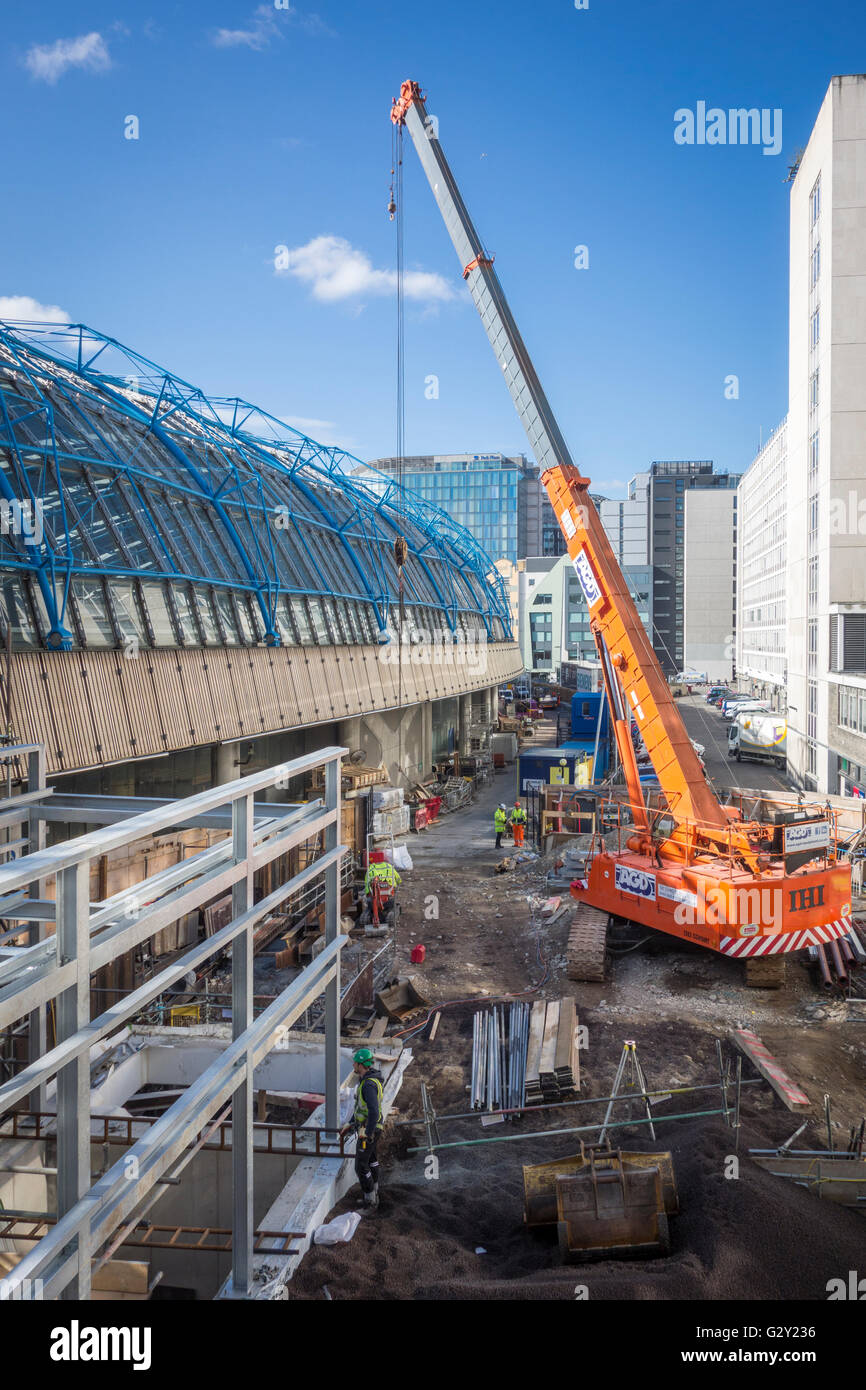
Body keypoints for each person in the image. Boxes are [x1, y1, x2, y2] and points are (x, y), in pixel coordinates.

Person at [341, 1046, 384, 1211]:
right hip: (370, 1127)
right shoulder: (370, 1081)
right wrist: (351, 1123)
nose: (353, 1066)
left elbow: (373, 1110)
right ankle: (375, 1193)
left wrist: (367, 1132)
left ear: (361, 1065)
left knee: (360, 1165)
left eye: (355, 1063)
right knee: (371, 1160)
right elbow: (362, 1108)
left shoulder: (368, 1086)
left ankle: (370, 1201)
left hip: (369, 1130)